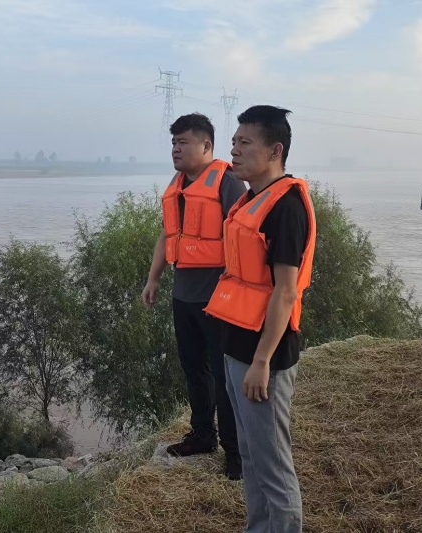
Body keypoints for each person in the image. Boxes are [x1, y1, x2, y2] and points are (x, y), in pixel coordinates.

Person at [204, 105, 316, 533]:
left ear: (275, 150)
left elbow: (286, 291)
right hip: (236, 346)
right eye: (233, 142)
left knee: (273, 466)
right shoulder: (250, 199)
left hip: (264, 356)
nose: (233, 150)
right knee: (250, 455)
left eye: (244, 142)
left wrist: (262, 361)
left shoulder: (285, 208)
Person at [142, 112, 247, 480]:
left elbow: (245, 236)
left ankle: (236, 453)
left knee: (225, 375)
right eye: (173, 142)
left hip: (218, 300)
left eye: (183, 142)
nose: (175, 149)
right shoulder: (178, 184)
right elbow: (167, 236)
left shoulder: (227, 182)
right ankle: (203, 435)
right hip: (183, 296)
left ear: (206, 146)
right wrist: (153, 279)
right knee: (194, 370)